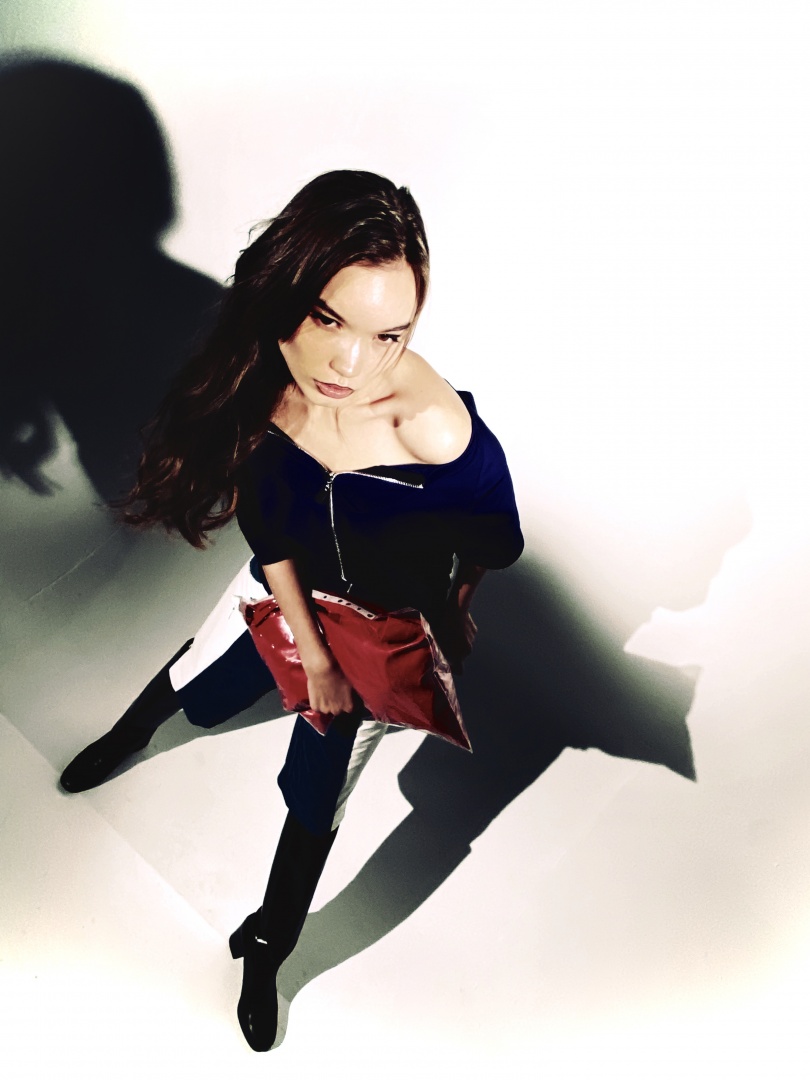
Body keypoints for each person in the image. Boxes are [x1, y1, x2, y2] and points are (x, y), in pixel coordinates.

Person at [58, 170, 524, 1051]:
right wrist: (309, 654)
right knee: (195, 680)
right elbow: (266, 521)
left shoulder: (437, 434)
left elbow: (494, 542)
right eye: (328, 318)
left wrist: (451, 611)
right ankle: (128, 736)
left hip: (381, 631)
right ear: (289, 293)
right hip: (279, 589)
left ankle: (268, 950)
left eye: (389, 335)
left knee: (317, 803)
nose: (351, 365)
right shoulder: (265, 372)